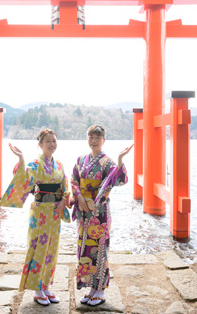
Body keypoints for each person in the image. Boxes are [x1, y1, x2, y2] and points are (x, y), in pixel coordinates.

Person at [0, 128, 72, 306]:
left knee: (51, 251)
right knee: (38, 248)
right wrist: (21, 159)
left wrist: (64, 200)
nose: (52, 144)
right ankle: (37, 288)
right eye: (48, 141)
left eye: (54, 141)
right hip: (40, 212)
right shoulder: (35, 163)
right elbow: (24, 178)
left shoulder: (59, 164)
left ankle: (46, 285)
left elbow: (66, 186)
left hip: (54, 212)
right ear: (40, 145)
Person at [71, 124, 133, 307]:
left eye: (98, 138)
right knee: (84, 248)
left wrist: (121, 159)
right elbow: (73, 180)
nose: (94, 141)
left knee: (99, 249)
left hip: (99, 211)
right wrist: (79, 196)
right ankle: (91, 288)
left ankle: (101, 290)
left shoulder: (108, 162)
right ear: (87, 138)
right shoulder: (80, 159)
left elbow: (119, 179)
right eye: (91, 137)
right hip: (83, 210)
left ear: (104, 140)